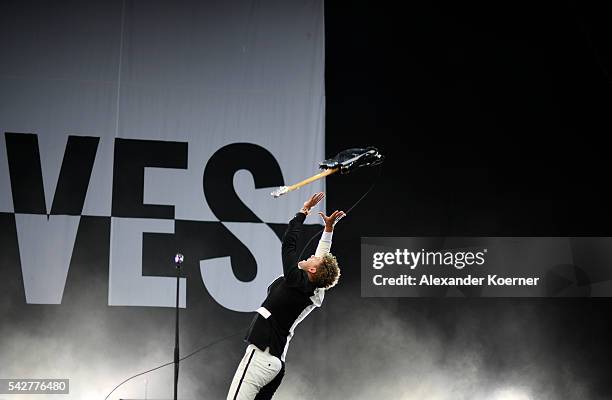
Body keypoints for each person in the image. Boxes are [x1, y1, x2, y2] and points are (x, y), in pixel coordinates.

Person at [226, 192, 345, 400]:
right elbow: (322, 258)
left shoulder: (294, 280)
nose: (311, 256)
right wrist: (328, 230)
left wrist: (303, 212)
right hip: (275, 365)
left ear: (313, 271)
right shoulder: (315, 292)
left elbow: (288, 243)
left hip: (260, 360)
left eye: (313, 260)